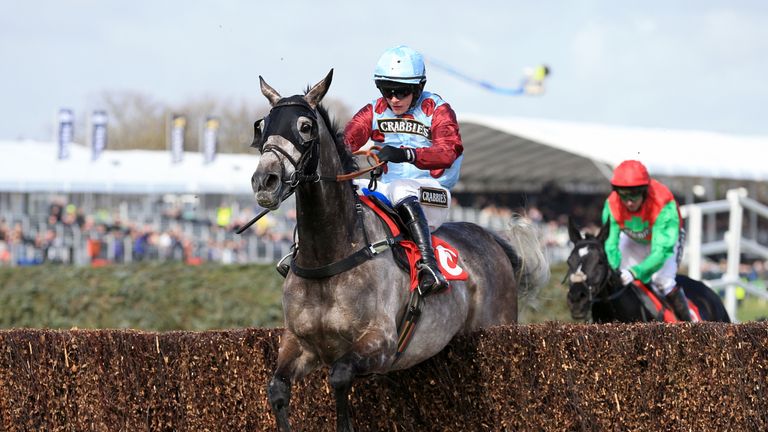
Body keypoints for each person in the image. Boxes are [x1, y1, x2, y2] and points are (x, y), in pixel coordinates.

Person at [344, 45, 464, 296]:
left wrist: (406, 154)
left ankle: (429, 266)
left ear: (418, 87)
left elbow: (449, 150)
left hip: (433, 193)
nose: (394, 98)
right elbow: (345, 142)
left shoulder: (438, 110)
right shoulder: (374, 110)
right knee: (344, 188)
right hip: (387, 190)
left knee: (400, 188)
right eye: (387, 91)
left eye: (402, 91)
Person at [602, 160, 691, 321]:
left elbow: (660, 252)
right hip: (634, 239)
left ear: (644, 191)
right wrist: (615, 269)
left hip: (665, 242)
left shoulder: (663, 204)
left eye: (634, 195)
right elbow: (610, 244)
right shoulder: (611, 204)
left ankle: (691, 328)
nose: (629, 202)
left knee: (662, 280)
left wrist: (635, 272)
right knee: (614, 277)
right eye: (624, 195)